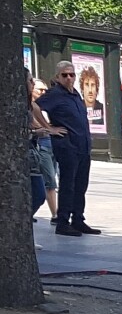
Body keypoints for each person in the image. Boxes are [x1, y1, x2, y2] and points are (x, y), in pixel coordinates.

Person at [38, 60, 98, 236]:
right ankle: (62, 221)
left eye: (71, 74)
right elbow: (34, 106)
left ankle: (78, 219)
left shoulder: (75, 93)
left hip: (83, 146)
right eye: (65, 75)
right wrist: (49, 128)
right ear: (58, 77)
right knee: (68, 184)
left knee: (81, 185)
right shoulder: (55, 94)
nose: (69, 78)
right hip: (67, 146)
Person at [28, 73, 63, 223]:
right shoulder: (30, 106)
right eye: (39, 89)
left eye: (44, 90)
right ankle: (54, 214)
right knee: (47, 184)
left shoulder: (43, 105)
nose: (43, 92)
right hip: (39, 147)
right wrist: (43, 130)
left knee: (50, 181)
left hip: (47, 145)